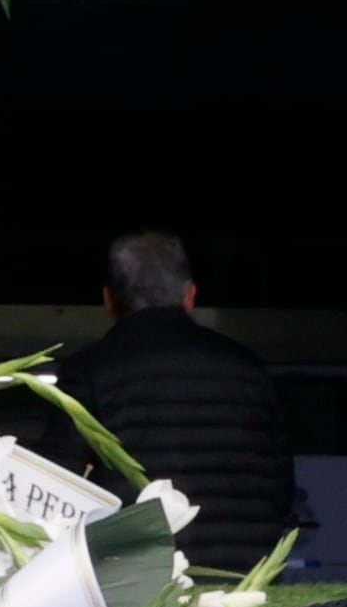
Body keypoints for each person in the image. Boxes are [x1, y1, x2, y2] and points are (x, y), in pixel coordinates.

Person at [44, 230, 302, 570]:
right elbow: (281, 484)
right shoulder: (248, 367)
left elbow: (56, 485)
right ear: (191, 295)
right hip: (243, 579)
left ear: (108, 300)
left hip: (135, 576)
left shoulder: (88, 370)